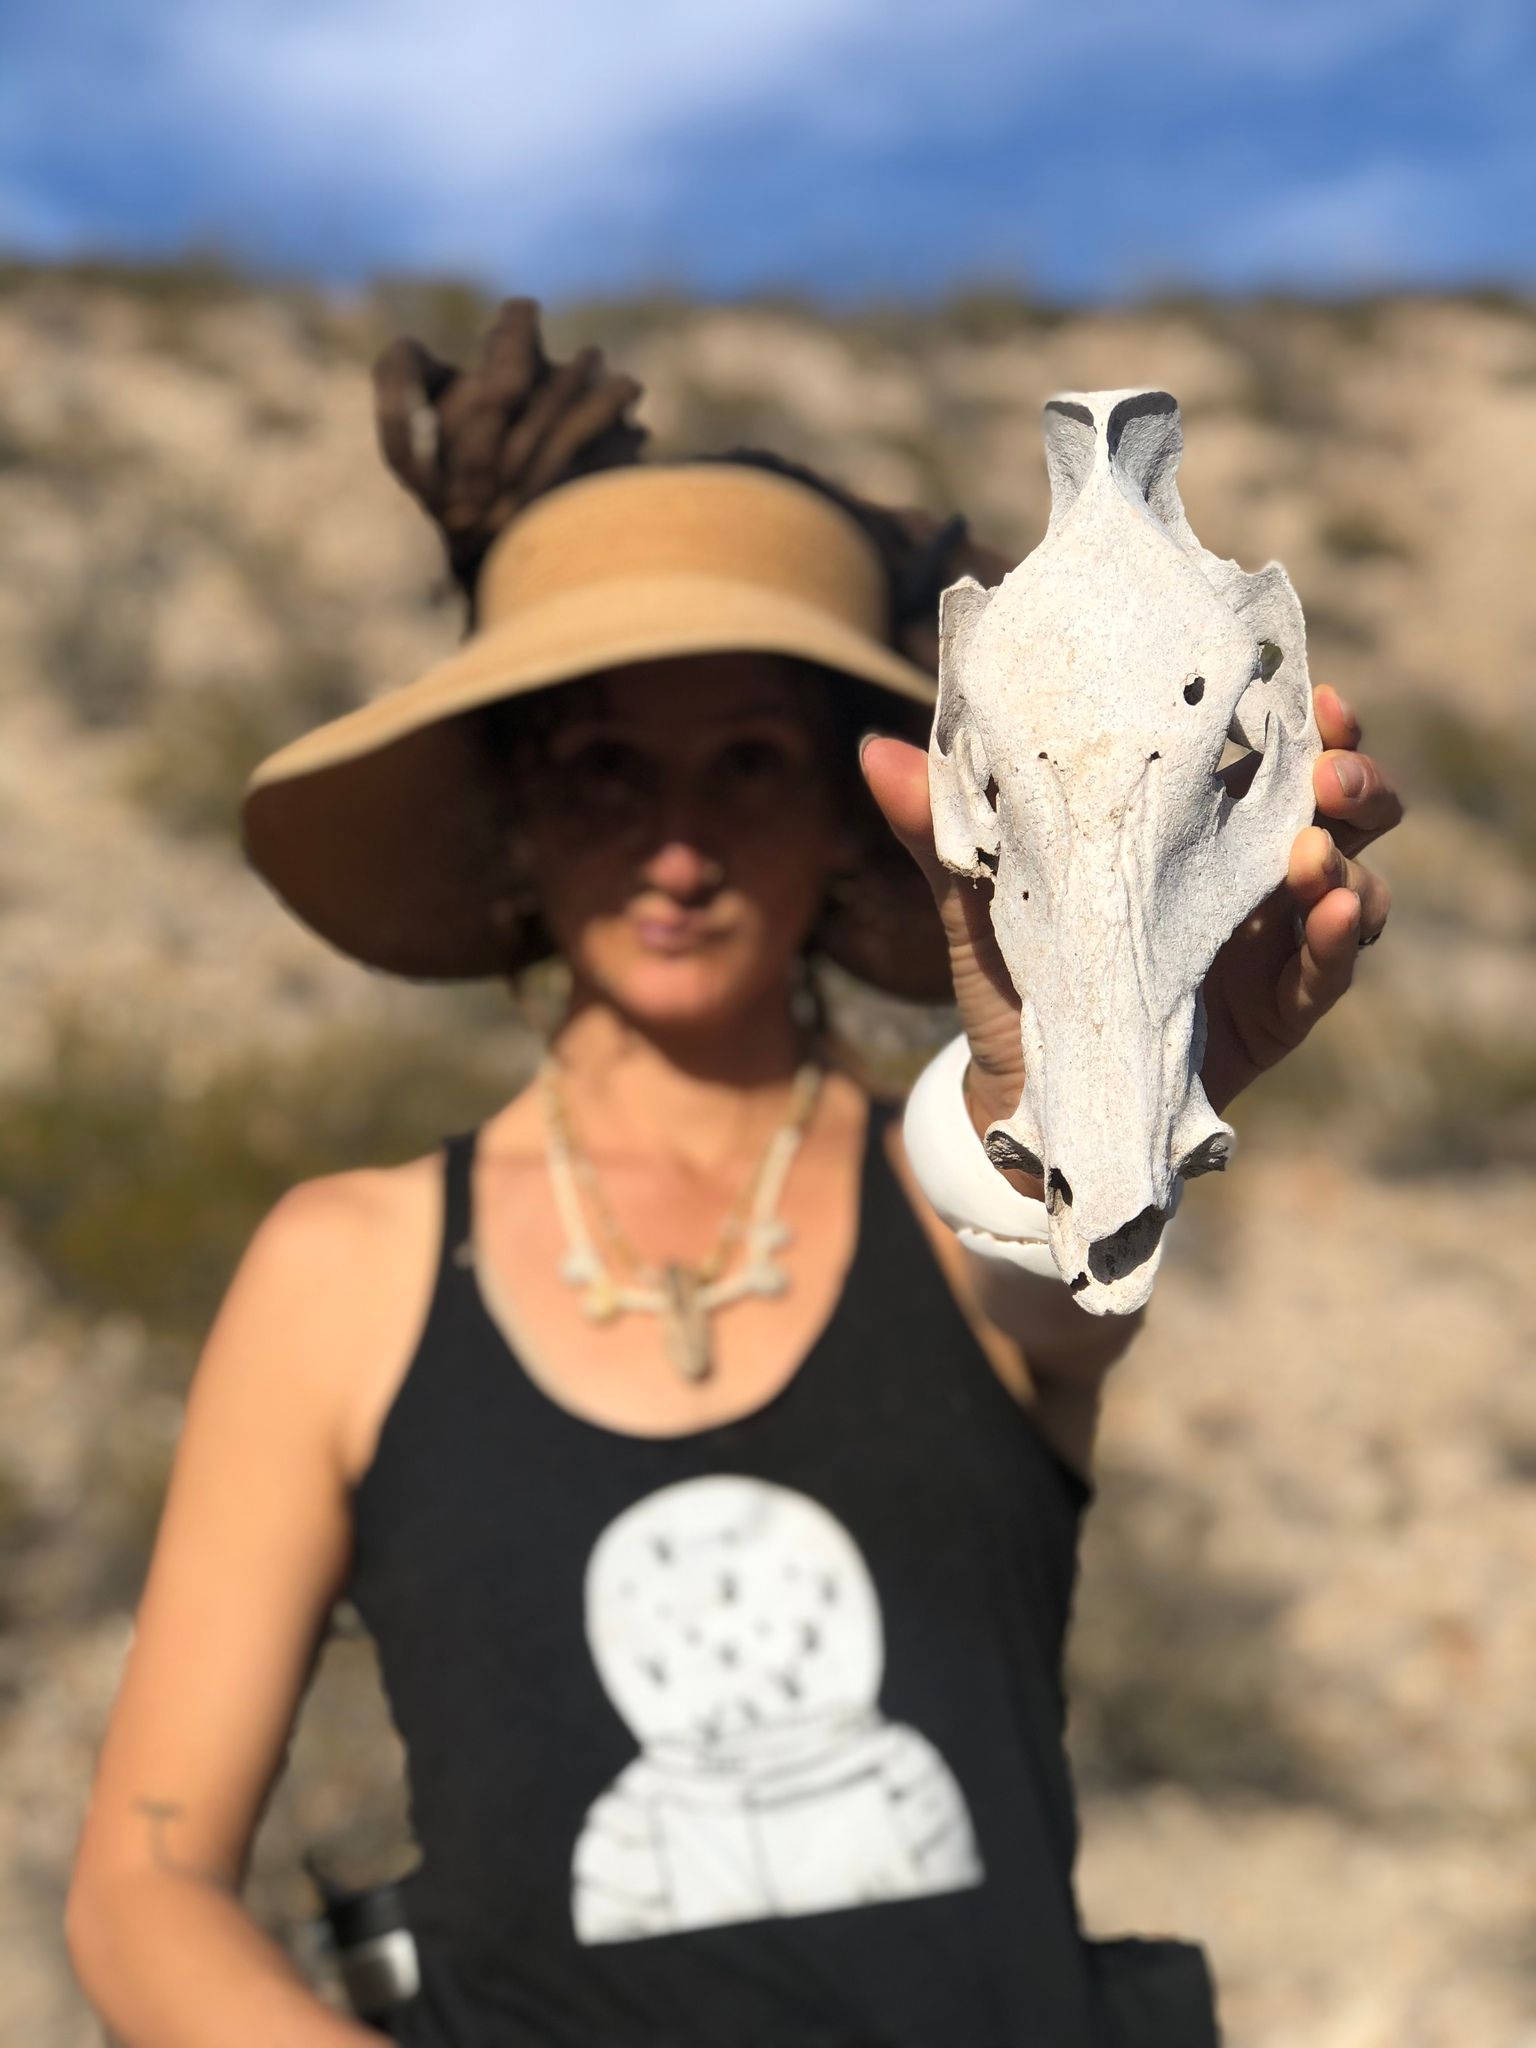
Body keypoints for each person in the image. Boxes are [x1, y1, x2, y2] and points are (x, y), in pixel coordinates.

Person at [63, 303, 1399, 2047]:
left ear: (849, 812)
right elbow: (143, 1882)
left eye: (748, 765)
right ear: (514, 810)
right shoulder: (348, 1272)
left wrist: (1093, 1060)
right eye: (606, 766)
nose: (678, 846)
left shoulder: (962, 1194)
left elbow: (1037, 1241)